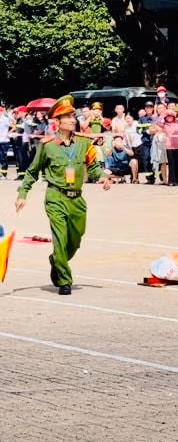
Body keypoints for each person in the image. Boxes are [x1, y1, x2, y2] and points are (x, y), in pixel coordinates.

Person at [15, 95, 112, 295]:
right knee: (60, 238)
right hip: (55, 197)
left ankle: (56, 261)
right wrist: (23, 194)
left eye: (73, 116)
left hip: (77, 199)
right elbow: (32, 172)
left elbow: (93, 167)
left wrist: (102, 176)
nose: (72, 120)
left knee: (75, 240)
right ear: (57, 121)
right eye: (67, 117)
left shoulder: (84, 143)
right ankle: (65, 280)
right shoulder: (47, 145)